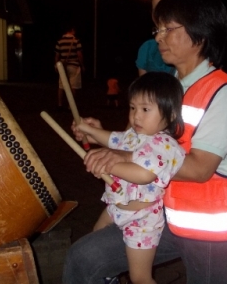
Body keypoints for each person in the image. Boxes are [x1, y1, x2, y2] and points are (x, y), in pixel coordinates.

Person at [63, 0, 227, 284]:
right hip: (164, 214)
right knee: (85, 258)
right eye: (157, 28)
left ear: (200, 34)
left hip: (215, 231)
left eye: (168, 28)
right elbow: (134, 140)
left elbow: (198, 168)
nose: (158, 37)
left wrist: (117, 159)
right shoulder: (170, 87)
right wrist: (96, 132)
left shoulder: (222, 93)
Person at [74, 72, 186, 284]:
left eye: (145, 109)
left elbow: (144, 174)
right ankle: (109, 275)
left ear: (171, 114)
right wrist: (87, 129)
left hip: (141, 219)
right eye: (133, 108)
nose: (136, 116)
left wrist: (110, 164)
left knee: (140, 277)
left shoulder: (165, 144)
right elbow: (112, 139)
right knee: (94, 238)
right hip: (116, 207)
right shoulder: (134, 135)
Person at [135, 0, 182, 76]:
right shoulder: (148, 49)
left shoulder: (188, 45)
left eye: (166, 9)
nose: (160, 15)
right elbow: (143, 89)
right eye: (156, 10)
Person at [55, 25, 85, 110]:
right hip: (74, 65)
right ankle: (70, 105)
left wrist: (56, 65)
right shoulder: (76, 40)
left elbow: (57, 55)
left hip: (63, 66)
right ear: (72, 30)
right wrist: (82, 65)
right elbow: (79, 54)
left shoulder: (59, 41)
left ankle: (60, 104)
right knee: (73, 86)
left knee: (61, 86)